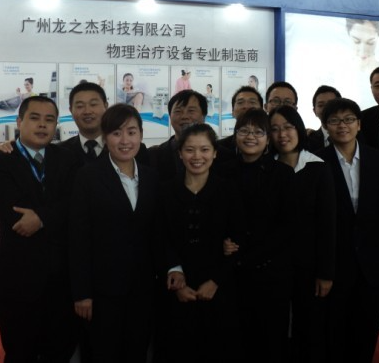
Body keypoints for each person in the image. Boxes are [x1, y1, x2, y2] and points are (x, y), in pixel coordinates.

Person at [69, 104, 159, 363]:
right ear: (105, 137)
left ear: (141, 135)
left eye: (131, 132)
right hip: (102, 292)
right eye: (116, 133)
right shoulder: (88, 177)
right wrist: (82, 293)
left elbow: (157, 231)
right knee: (103, 353)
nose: (125, 140)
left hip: (143, 289)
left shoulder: (151, 177)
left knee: (137, 352)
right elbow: (78, 238)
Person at [0, 96, 78, 363]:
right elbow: (11, 212)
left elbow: (74, 204)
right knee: (19, 352)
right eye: (34, 118)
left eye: (49, 120)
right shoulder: (3, 159)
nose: (43, 125)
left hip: (62, 282)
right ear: (19, 121)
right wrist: (53, 215)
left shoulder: (68, 159)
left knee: (60, 351)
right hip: (18, 280)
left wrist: (42, 217)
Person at [160, 123, 244, 363]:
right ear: (180, 153)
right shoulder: (165, 191)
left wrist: (216, 281)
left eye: (205, 149)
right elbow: (159, 237)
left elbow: (238, 240)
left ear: (215, 153)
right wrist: (175, 274)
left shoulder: (229, 190)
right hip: (177, 289)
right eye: (189, 150)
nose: (197, 156)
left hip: (220, 290)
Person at [317, 98, 379, 363]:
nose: (342, 125)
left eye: (349, 119)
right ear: (326, 126)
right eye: (335, 120)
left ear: (359, 124)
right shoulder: (317, 162)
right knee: (334, 334)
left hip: (373, 266)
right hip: (335, 265)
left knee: (367, 333)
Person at [222, 108, 295, 363]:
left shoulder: (283, 174)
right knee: (236, 341)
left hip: (271, 274)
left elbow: (288, 226)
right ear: (235, 135)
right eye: (244, 130)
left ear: (267, 139)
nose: (250, 136)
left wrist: (251, 255)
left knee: (271, 342)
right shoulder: (222, 171)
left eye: (258, 132)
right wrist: (223, 241)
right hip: (232, 273)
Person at [269, 105, 336, 362]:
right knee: (275, 328)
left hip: (310, 265)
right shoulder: (267, 168)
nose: (282, 134)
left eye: (287, 127)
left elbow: (328, 224)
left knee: (309, 328)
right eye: (275, 129)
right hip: (274, 265)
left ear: (298, 129)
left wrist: (325, 273)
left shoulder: (318, 166)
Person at [148, 89, 231, 179]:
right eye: (178, 111)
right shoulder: (153, 155)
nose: (184, 116)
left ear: (203, 116)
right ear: (170, 116)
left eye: (191, 111)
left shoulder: (225, 156)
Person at [218, 85, 263, 152]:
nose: (246, 106)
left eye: (252, 102)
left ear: (262, 110)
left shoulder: (272, 147)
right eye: (240, 103)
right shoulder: (219, 148)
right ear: (233, 112)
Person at [307, 85, 341, 152]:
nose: (326, 108)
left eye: (331, 104)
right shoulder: (307, 140)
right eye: (321, 105)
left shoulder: (357, 136)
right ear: (314, 111)